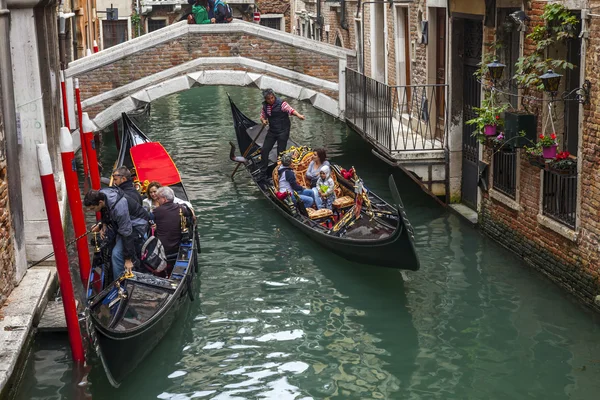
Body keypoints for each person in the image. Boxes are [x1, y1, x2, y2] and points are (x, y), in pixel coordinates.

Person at [84, 187, 149, 278]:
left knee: (116, 254)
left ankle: (118, 283)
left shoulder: (119, 207)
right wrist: (103, 225)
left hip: (137, 224)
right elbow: (105, 211)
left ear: (100, 202)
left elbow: (127, 232)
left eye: (93, 208)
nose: (92, 211)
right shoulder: (102, 194)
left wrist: (127, 259)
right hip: (122, 223)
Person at [258, 89, 306, 176]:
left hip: (283, 131)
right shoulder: (265, 106)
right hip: (272, 130)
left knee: (280, 153)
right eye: (268, 99)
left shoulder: (282, 104)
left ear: (274, 96)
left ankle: (279, 171)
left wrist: (299, 115)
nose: (271, 100)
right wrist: (263, 120)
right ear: (266, 99)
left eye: (272, 98)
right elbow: (262, 116)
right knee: (264, 150)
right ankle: (263, 171)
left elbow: (291, 110)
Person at [152, 187, 193, 256]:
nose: (157, 200)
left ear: (164, 199)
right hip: (178, 245)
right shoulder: (181, 208)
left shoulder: (156, 211)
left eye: (158, 198)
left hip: (164, 248)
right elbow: (190, 215)